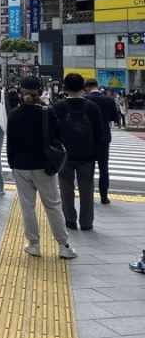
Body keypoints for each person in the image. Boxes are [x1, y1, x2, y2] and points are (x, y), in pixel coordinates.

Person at [6, 75, 77, 259]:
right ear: (39, 91)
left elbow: (11, 143)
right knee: (53, 205)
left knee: (27, 206)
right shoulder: (48, 112)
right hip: (44, 165)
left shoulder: (14, 113)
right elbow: (58, 137)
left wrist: (13, 163)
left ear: (21, 90)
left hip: (21, 165)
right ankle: (64, 246)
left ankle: (34, 244)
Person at [52, 73, 103, 231]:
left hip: (64, 155)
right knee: (87, 189)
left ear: (65, 87)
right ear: (83, 87)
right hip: (87, 155)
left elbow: (52, 132)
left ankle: (70, 220)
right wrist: (96, 153)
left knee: (66, 188)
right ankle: (86, 222)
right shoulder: (91, 107)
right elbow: (99, 133)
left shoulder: (58, 106)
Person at [84, 78, 120, 204]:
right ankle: (104, 196)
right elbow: (114, 118)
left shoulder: (85, 100)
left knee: (88, 168)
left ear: (87, 88)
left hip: (88, 138)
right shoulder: (109, 100)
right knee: (103, 167)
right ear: (97, 86)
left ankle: (88, 195)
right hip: (104, 136)